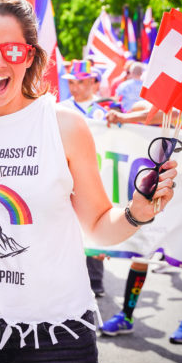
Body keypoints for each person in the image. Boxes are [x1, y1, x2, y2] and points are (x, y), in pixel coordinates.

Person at [0, 0, 177, 363]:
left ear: (30, 56)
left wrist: (137, 212)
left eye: (13, 50)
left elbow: (97, 227)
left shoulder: (64, 125)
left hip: (59, 332)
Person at [101, 96, 182, 344]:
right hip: (155, 187)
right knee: (142, 249)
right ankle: (126, 315)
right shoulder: (159, 97)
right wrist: (126, 117)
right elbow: (151, 115)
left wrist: (126, 117)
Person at [59, 60, 105, 297]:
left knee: (93, 221)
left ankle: (95, 280)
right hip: (66, 173)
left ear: (93, 82)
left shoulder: (105, 111)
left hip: (95, 171)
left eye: (81, 82)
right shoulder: (61, 109)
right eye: (72, 82)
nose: (75, 87)